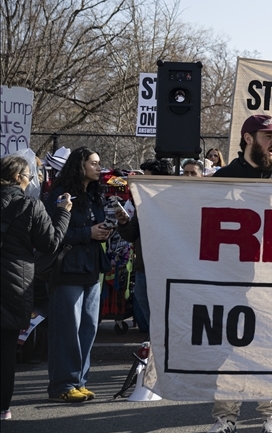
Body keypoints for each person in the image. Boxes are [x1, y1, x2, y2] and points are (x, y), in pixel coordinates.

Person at [199, 114, 272, 433]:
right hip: (231, 279)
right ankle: (225, 418)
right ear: (247, 139)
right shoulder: (224, 178)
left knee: (269, 348)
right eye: (267, 135)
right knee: (227, 349)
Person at [1, 155, 72, 419]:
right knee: (6, 349)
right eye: (30, 176)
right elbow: (50, 243)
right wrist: (63, 213)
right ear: (18, 177)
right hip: (14, 283)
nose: (32, 181)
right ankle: (3, 408)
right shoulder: (30, 205)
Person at [44, 147, 114, 403]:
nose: (99, 167)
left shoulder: (95, 195)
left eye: (99, 163)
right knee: (67, 329)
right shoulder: (59, 194)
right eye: (94, 163)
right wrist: (88, 234)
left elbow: (93, 227)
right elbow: (51, 234)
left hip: (91, 269)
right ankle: (63, 384)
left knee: (88, 327)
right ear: (80, 165)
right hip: (67, 270)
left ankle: (79, 380)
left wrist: (105, 230)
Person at [116, 158, 175, 339]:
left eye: (148, 179)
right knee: (151, 319)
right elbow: (131, 234)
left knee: (167, 318)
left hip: (169, 271)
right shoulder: (143, 204)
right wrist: (124, 222)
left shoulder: (177, 203)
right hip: (143, 269)